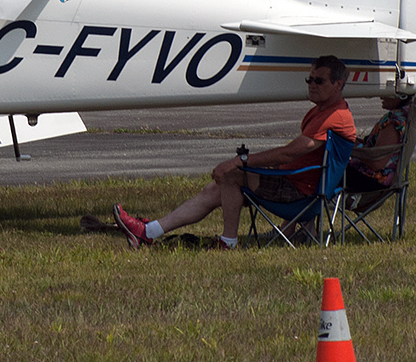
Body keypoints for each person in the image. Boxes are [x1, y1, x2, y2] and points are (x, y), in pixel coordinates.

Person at [113, 55, 357, 250]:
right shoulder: (324, 111)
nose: (312, 85)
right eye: (310, 80)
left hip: (300, 194)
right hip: (298, 185)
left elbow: (290, 153)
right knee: (215, 188)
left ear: (338, 84)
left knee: (231, 176)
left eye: (319, 81)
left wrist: (240, 161)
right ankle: (148, 232)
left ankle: (228, 242)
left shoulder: (335, 115)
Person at [346, 94, 412, 191]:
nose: (381, 96)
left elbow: (377, 163)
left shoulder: (394, 121)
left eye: (386, 93)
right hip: (369, 175)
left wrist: (351, 146)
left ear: (399, 95)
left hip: (371, 178)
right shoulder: (402, 115)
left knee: (323, 171)